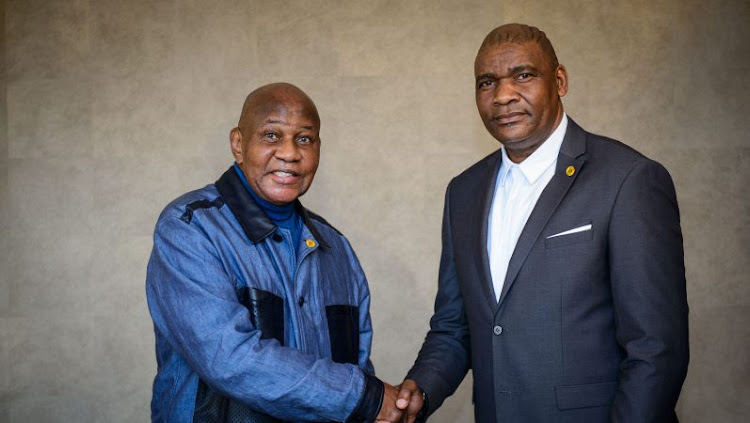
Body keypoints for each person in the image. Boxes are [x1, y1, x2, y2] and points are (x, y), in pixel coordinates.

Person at [396, 23, 689, 422]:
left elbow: (656, 350)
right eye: (487, 83)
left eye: (523, 75)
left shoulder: (628, 179)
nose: (503, 96)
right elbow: (454, 327)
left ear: (560, 80)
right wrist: (418, 391)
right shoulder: (462, 192)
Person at [146, 82, 407, 423]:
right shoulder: (190, 228)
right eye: (271, 135)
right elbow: (228, 358)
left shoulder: (337, 249)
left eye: (304, 139)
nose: (289, 153)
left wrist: (384, 405)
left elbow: (358, 368)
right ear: (238, 144)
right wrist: (368, 397)